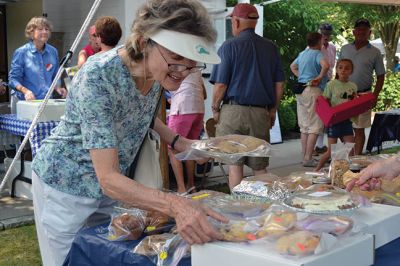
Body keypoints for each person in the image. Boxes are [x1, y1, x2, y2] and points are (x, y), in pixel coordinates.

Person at [31, 1, 227, 265]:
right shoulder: (98, 75)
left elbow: (138, 114)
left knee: (100, 255)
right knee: (68, 260)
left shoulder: (156, 74)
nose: (183, 72)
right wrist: (175, 205)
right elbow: (108, 177)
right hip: (64, 187)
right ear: (145, 43)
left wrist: (181, 143)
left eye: (192, 64)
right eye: (177, 60)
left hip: (107, 192)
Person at [210, 3, 285, 190]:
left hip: (232, 111)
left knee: (235, 165)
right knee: (260, 167)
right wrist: (273, 110)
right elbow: (279, 84)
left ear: (235, 21)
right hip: (260, 113)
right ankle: (266, 206)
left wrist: (215, 109)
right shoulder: (271, 48)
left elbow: (220, 85)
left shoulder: (228, 47)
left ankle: (237, 208)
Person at [339, 18, 385, 155]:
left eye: (365, 29)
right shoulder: (345, 49)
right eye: (359, 29)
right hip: (343, 94)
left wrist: (375, 96)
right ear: (354, 32)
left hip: (363, 95)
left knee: (359, 129)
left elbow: (381, 76)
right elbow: (339, 70)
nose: (361, 32)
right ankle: (349, 155)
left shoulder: (375, 52)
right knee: (343, 128)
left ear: (369, 32)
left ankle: (356, 160)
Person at [8, 17, 67, 113]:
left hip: (46, 102)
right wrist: (26, 91)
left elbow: (55, 76)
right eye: (40, 29)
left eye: (47, 29)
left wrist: (58, 88)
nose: (44, 32)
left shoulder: (53, 51)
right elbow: (13, 80)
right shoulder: (21, 52)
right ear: (31, 33)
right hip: (24, 102)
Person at [290, 32, 329, 167]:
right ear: (318, 42)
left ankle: (304, 157)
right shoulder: (318, 54)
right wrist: (319, 77)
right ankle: (308, 158)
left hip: (301, 91)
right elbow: (326, 65)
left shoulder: (302, 54)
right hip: (313, 90)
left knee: (304, 126)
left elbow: (292, 66)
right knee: (314, 126)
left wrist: (301, 76)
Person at [168, 71, 206, 194]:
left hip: (182, 107)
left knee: (173, 147)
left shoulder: (173, 64)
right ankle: (191, 185)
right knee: (189, 147)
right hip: (198, 109)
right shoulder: (195, 66)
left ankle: (181, 189)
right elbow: (204, 94)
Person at [315, 59, 356, 171]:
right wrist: (326, 119)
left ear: (351, 71)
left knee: (350, 150)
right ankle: (317, 170)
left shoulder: (353, 86)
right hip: (334, 122)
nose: (343, 70)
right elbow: (325, 101)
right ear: (337, 69)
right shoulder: (331, 84)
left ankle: (346, 173)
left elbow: (353, 103)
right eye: (340, 67)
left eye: (347, 68)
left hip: (346, 121)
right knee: (331, 151)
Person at [314, 23, 337, 155]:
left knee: (326, 115)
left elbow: (332, 66)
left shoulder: (332, 48)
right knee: (317, 115)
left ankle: (321, 145)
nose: (325, 36)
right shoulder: (314, 48)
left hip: (328, 82)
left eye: (328, 34)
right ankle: (318, 145)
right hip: (317, 82)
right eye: (323, 34)